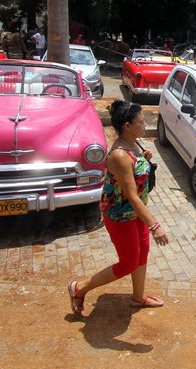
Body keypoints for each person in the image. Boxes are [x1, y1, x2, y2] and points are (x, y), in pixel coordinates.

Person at [67, 101, 169, 315]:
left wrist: (145, 161)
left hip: (136, 213)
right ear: (127, 126)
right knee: (128, 264)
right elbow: (131, 196)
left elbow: (136, 177)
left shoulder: (134, 145)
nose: (145, 124)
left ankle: (138, 298)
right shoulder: (119, 155)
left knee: (142, 254)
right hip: (120, 215)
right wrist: (155, 226)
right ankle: (80, 287)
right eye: (141, 122)